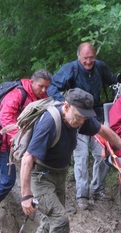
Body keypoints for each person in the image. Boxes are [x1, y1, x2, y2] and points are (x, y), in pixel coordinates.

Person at [19, 88, 121, 233]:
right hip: (40, 177)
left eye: (84, 118)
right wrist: (26, 196)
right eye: (79, 117)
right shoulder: (50, 123)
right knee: (60, 218)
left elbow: (102, 130)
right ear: (66, 107)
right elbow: (27, 159)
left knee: (51, 220)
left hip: (59, 174)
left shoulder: (79, 118)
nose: (81, 122)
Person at [47, 42, 117, 210]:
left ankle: (97, 189)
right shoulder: (71, 69)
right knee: (81, 156)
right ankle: (82, 195)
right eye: (85, 58)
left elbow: (114, 83)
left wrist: (118, 100)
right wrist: (66, 104)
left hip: (95, 117)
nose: (88, 62)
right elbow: (51, 88)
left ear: (95, 56)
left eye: (91, 58)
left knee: (103, 155)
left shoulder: (100, 67)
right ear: (79, 56)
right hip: (76, 120)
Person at [0, 69, 52, 226]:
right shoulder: (18, 94)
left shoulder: (41, 96)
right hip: (3, 143)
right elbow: (5, 117)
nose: (44, 90)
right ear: (32, 82)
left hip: (20, 143)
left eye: (47, 87)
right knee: (8, 180)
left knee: (35, 173)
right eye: (41, 86)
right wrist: (22, 140)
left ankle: (33, 205)